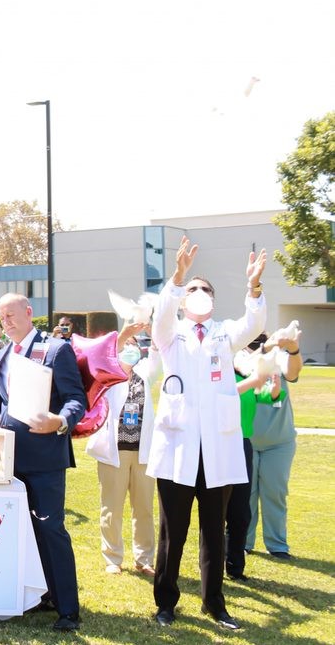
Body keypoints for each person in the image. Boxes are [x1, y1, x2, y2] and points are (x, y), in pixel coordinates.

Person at [0, 291, 87, 632]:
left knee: (51, 529)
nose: (6, 321)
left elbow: (75, 399)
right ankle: (38, 596)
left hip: (45, 459)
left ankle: (67, 607)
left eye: (12, 315)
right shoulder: (1, 357)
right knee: (21, 532)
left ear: (29, 312)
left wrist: (60, 421)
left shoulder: (55, 349)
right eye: (2, 317)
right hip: (7, 459)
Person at [146, 237, 266, 631]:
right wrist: (178, 276)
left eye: (205, 290)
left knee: (214, 531)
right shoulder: (171, 333)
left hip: (217, 448)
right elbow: (160, 315)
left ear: (214, 299)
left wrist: (253, 288)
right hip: (179, 448)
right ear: (183, 299)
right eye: (192, 290)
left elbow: (255, 324)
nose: (199, 295)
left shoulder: (224, 334)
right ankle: (165, 602)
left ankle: (215, 603)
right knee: (172, 533)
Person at [86, 321, 158, 576]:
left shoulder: (146, 373)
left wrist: (150, 330)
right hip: (113, 451)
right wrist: (124, 333)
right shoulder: (107, 374)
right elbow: (100, 354)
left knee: (144, 508)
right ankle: (113, 557)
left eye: (133, 345)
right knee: (112, 508)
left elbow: (160, 351)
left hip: (143, 451)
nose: (130, 348)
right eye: (125, 344)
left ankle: (145, 558)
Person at [225, 333, 290, 579]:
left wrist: (273, 386)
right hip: (218, 445)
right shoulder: (221, 378)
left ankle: (235, 567)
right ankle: (211, 563)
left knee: (240, 511)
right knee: (216, 509)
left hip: (243, 445)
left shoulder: (247, 377)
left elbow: (270, 397)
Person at [247, 323, 303, 560]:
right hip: (246, 442)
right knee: (245, 496)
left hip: (279, 443)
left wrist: (293, 350)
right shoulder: (240, 362)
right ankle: (243, 542)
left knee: (275, 493)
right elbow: (247, 365)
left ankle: (277, 545)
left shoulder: (279, 359)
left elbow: (292, 373)